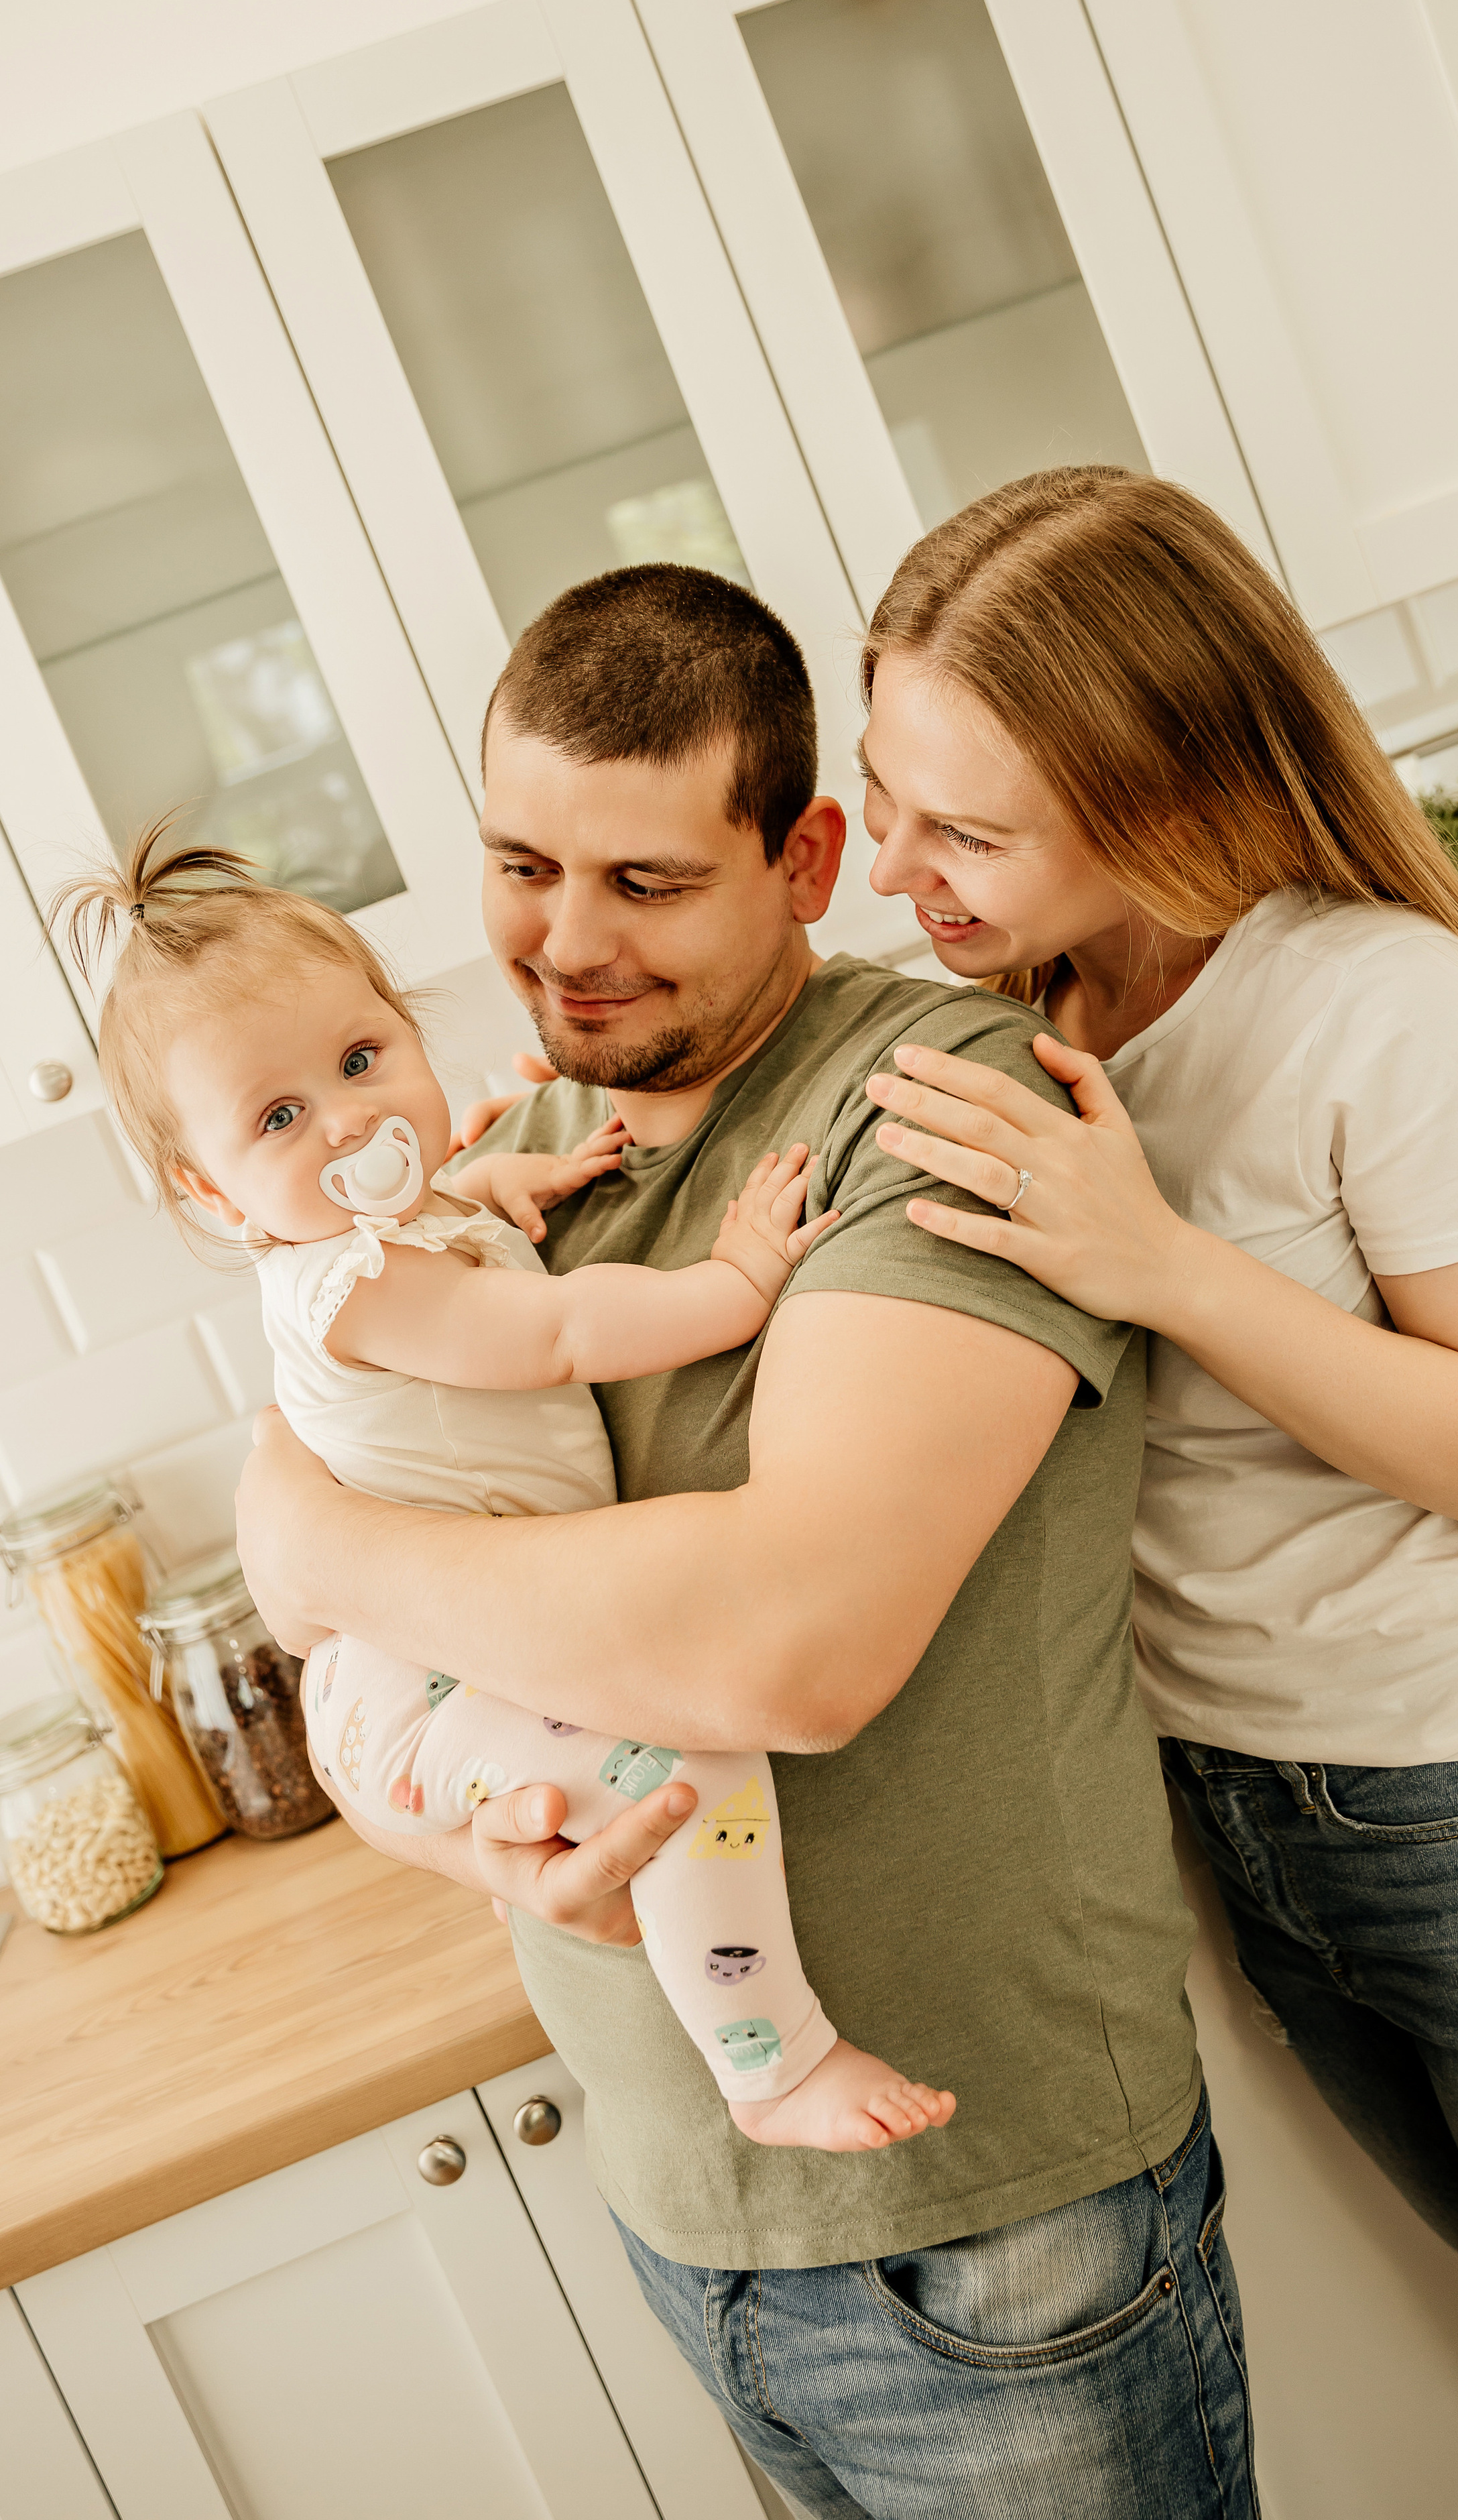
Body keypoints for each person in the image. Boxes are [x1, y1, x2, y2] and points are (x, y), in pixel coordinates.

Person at [233, 563, 1258, 2519]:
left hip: (989, 2217)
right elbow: (394, 1706)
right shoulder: (489, 1162)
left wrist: (320, 1546)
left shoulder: (931, 1107)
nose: (564, 944)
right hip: (685, 2201)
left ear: (803, 858)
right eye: (522, 865)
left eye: (647, 882)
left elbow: (791, 1644)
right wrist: (476, 1837)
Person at [853, 465, 1458, 2505]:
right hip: (1258, 1819)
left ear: (1160, 793)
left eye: (967, 830)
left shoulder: (1375, 1010)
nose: (903, 872)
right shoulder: (1039, 1010)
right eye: (892, 799)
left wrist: (1160, 1266)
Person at [54, 827, 960, 2155]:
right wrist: (738, 1284)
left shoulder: (404, 1222)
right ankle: (771, 2064)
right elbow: (545, 1335)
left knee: (660, 1763)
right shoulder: (353, 1288)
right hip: (424, 1687)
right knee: (689, 1762)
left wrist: (517, 1177)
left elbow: (456, 1209)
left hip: (459, 1659)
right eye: (279, 1118)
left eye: (361, 1060)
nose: (352, 1121)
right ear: (208, 1187)